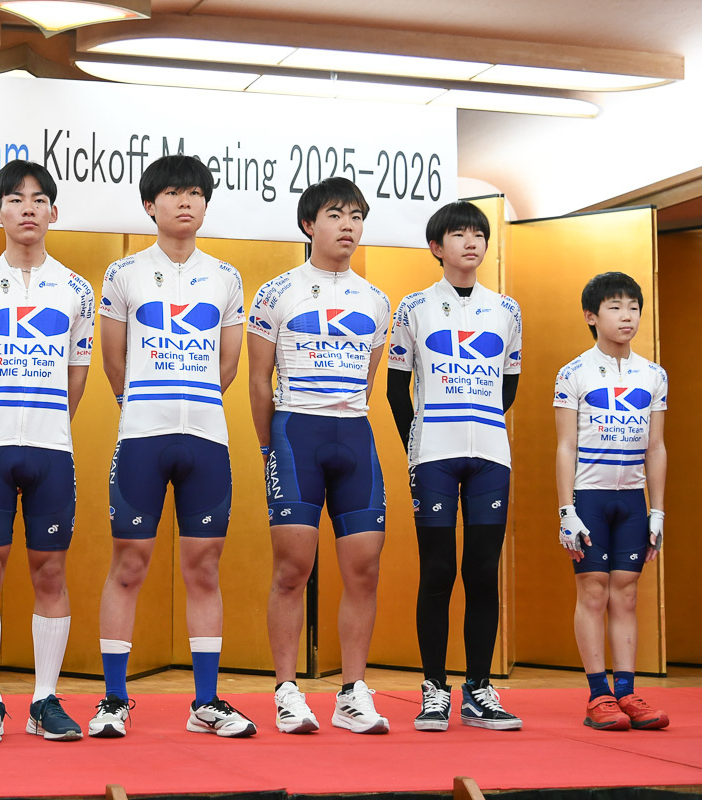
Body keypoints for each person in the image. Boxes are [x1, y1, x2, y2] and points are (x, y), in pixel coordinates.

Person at [91, 154, 252, 739]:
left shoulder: (226, 276)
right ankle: (114, 699)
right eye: (173, 193)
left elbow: (228, 365)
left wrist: (193, 400)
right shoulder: (123, 273)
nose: (186, 201)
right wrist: (143, 405)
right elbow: (113, 360)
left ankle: (206, 702)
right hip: (142, 436)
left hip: (206, 438)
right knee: (129, 565)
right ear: (149, 205)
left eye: (196, 193)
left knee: (203, 568)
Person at [0, 160, 94, 744]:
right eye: (15, 199)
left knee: (50, 571)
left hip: (51, 450)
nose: (27, 208)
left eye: (38, 199)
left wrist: (50, 422)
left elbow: (78, 375)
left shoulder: (77, 289)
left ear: (53, 212)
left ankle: (43, 700)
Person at [247, 177, 390, 735]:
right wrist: (268, 446)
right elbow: (258, 380)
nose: (348, 225)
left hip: (354, 435)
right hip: (295, 435)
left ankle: (352, 693)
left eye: (356, 216)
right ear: (309, 224)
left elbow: (369, 380)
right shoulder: (276, 292)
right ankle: (287, 690)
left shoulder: (376, 300)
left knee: (364, 569)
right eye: (335, 215)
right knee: (292, 568)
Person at [385, 200, 523, 732]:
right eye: (459, 234)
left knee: (483, 571)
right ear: (436, 247)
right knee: (439, 570)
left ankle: (479, 689)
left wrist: (480, 421)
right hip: (433, 457)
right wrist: (417, 444)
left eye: (478, 235)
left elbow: (509, 386)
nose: (471, 242)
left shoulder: (506, 309)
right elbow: (397, 389)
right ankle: (434, 688)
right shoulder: (414, 307)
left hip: (491, 456)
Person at [553, 272, 669, 731]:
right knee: (594, 590)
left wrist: (657, 510)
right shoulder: (573, 372)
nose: (627, 316)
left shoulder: (653, 374)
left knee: (627, 593)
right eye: (615, 307)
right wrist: (566, 510)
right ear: (591, 316)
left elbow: (656, 447)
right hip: (590, 498)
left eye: (634, 307)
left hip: (632, 501)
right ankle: (598, 695)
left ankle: (627, 692)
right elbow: (565, 447)